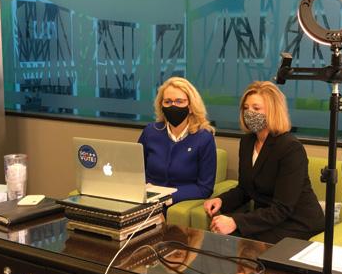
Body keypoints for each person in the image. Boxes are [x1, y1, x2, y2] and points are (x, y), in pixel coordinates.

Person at [203, 81, 324, 243]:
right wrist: (221, 200)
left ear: (273, 111)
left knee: (231, 238)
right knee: (217, 231)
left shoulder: (290, 148)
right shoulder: (247, 142)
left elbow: (282, 208)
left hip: (297, 222)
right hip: (267, 218)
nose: (249, 113)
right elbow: (245, 189)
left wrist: (236, 221)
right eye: (246, 108)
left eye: (256, 108)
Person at [138, 77, 216, 205]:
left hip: (174, 202)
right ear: (161, 105)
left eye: (179, 101)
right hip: (145, 200)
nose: (173, 106)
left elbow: (205, 188)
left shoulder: (204, 138)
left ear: (191, 106)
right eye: (168, 102)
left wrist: (167, 196)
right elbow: (136, 171)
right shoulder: (150, 131)